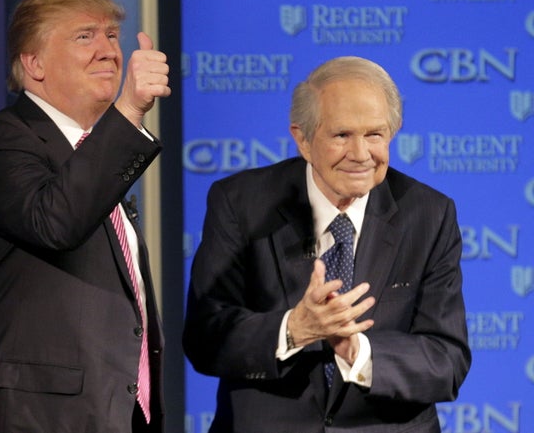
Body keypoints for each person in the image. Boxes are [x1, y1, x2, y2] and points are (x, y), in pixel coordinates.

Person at [0, 0, 170, 433]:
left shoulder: (95, 158)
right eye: (84, 36)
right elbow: (56, 222)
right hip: (20, 419)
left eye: (112, 35)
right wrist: (129, 110)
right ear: (33, 64)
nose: (108, 51)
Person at [183, 56, 471, 432]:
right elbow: (205, 337)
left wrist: (360, 352)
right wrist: (293, 329)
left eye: (375, 135)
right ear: (302, 139)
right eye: (341, 135)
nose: (361, 154)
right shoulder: (240, 203)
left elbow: (446, 360)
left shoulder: (429, 215)